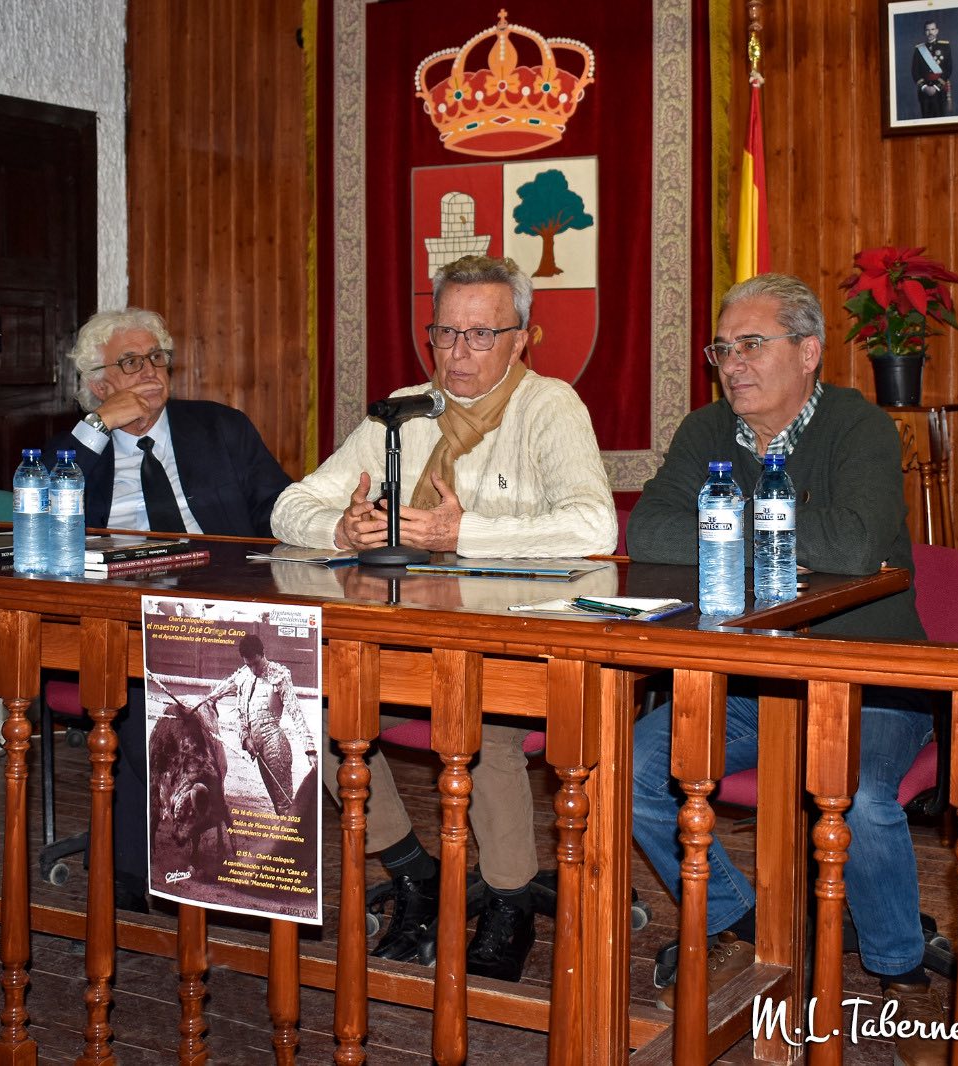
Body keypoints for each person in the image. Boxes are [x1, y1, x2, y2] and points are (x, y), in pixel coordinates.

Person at [625, 273, 947, 1065]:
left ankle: (900, 966)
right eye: (722, 349)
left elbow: (855, 544)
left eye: (751, 345)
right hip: (750, 681)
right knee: (630, 769)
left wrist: (725, 521)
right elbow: (650, 533)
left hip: (869, 676)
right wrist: (771, 530)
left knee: (858, 795)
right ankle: (744, 923)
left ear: (808, 353)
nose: (732, 364)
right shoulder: (706, 430)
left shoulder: (860, 427)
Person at [270, 253, 616, 982]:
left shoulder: (549, 406)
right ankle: (412, 870)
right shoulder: (403, 411)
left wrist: (466, 533)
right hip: (409, 637)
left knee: (482, 724)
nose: (458, 353)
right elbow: (289, 504)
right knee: (311, 709)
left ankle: (511, 902)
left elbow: (595, 526)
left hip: (517, 642)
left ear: (520, 339)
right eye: (445, 333)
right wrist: (340, 528)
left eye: (481, 334)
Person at [44, 307, 292, 912]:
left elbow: (279, 508)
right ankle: (147, 869)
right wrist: (98, 426)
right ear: (100, 382)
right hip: (119, 610)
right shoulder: (77, 450)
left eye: (157, 358)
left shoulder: (220, 428)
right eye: (131, 362)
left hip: (223, 605)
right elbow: (40, 509)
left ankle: (139, 869)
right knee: (140, 710)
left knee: (155, 716)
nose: (151, 372)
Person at [202, 632, 315, 816]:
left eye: (256, 663)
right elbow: (238, 710)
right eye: (249, 665)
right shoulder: (244, 676)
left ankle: (293, 834)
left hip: (275, 745)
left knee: (285, 804)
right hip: (256, 746)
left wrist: (310, 750)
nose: (254, 670)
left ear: (263, 654)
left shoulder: (279, 675)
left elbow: (296, 713)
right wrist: (245, 738)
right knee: (277, 804)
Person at [910, 19, 954, 119]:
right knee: (926, 119)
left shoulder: (945, 46)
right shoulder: (919, 49)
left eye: (932, 29)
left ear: (937, 31)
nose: (930, 32)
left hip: (940, 89)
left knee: (940, 119)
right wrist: (924, 87)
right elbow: (915, 72)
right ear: (924, 32)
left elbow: (948, 68)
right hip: (924, 91)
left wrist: (936, 87)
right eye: (927, 30)